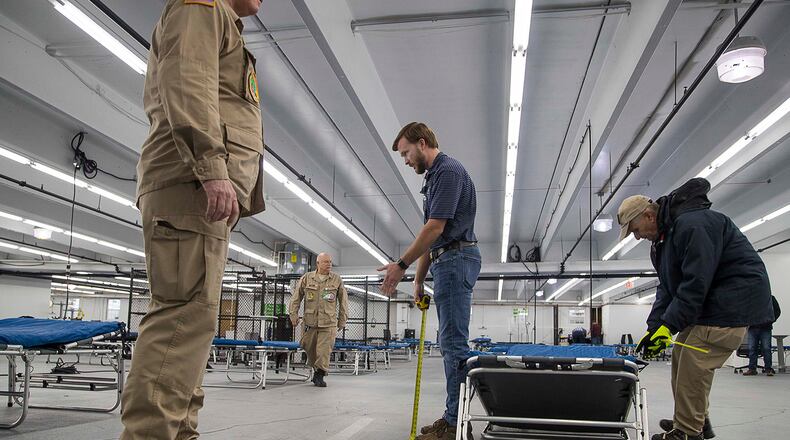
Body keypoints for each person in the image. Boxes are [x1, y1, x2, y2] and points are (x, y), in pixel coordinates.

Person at [121, 0, 265, 438]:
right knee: (180, 321)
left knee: (191, 327)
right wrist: (212, 167)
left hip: (195, 190)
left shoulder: (223, 21)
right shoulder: (201, 6)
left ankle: (179, 432)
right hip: (190, 183)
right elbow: (187, 83)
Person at [618, 178, 774, 440]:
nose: (636, 236)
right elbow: (667, 289)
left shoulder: (693, 225)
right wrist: (654, 329)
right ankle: (695, 420)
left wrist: (669, 326)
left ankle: (689, 432)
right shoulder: (664, 241)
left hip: (731, 303)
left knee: (694, 362)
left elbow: (696, 283)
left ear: (648, 215)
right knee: (681, 356)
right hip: (712, 305)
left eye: (635, 229)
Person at [379, 122, 481, 440]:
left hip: (456, 260)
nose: (406, 160)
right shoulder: (434, 178)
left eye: (407, 153)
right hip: (445, 261)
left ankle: (455, 423)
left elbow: (435, 229)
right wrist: (418, 282)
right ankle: (453, 417)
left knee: (453, 346)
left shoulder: (448, 172)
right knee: (449, 344)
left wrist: (401, 265)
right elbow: (431, 238)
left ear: (422, 144)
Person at [289, 253, 348, 387]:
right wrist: (293, 315)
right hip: (310, 322)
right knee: (308, 347)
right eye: (326, 262)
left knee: (324, 351)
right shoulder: (307, 278)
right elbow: (296, 298)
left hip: (329, 323)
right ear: (318, 263)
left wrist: (342, 320)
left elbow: (343, 302)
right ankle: (316, 368)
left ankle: (320, 374)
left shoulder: (336, 279)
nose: (329, 264)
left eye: (330, 262)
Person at [743, 295, 781, 376]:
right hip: (753, 327)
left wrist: (771, 320)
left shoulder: (770, 298)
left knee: (766, 348)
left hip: (766, 328)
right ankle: (752, 369)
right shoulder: (752, 298)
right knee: (752, 348)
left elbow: (777, 311)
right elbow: (745, 310)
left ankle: (768, 369)